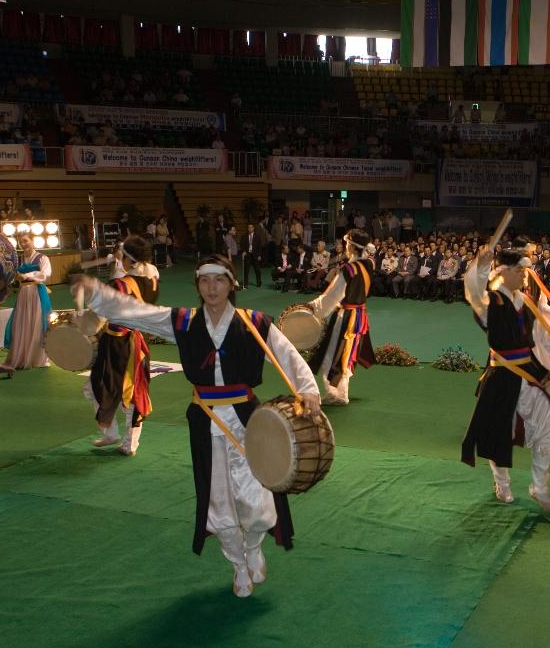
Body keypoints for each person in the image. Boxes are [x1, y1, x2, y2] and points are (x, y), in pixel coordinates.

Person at [73, 255, 320, 598]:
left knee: (257, 501)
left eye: (219, 280)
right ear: (197, 286)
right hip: (204, 420)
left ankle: (253, 547)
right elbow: (136, 313)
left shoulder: (254, 323)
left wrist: (307, 390)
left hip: (250, 421)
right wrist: (97, 293)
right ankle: (238, 567)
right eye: (205, 281)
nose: (212, 288)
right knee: (217, 502)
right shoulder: (184, 322)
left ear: (231, 283)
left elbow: (286, 354)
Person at [461, 247, 550, 511]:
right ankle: (503, 486)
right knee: (498, 434)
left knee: (547, 431)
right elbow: (472, 292)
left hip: (531, 373)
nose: (525, 274)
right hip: (502, 375)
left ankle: (539, 488)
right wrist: (480, 266)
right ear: (505, 271)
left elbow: (544, 334)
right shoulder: (491, 302)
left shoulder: (527, 300)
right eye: (521, 269)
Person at [85, 236, 160, 456]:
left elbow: (100, 314)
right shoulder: (152, 281)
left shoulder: (119, 284)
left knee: (109, 389)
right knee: (129, 391)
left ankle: (123, 438)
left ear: (127, 259)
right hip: (135, 341)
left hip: (117, 343)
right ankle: (122, 438)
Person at [307, 230, 376, 406]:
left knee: (336, 353)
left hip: (346, 317)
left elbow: (332, 296)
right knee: (345, 354)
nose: (345, 247)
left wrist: (313, 307)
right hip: (360, 316)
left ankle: (339, 394)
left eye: (347, 244)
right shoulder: (369, 264)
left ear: (352, 247)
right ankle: (336, 392)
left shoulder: (349, 269)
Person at [5, 230, 52, 369]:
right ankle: (23, 355)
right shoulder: (18, 259)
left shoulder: (42, 258)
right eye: (21, 242)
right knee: (22, 322)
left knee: (37, 322)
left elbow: (45, 274)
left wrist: (27, 276)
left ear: (32, 240)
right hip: (23, 294)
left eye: (26, 241)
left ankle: (37, 357)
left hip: (37, 292)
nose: (23, 244)